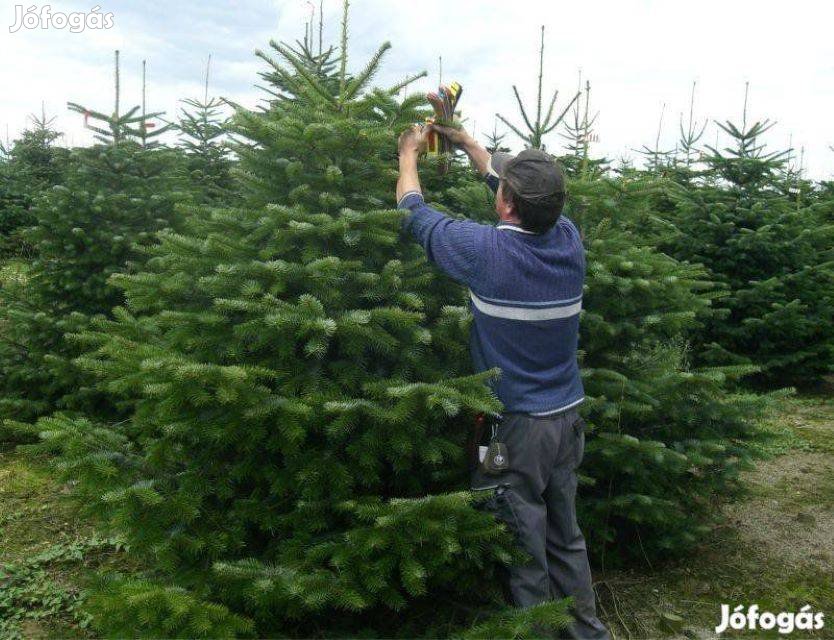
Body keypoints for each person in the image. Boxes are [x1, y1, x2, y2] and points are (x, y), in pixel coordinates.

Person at [395, 122, 610, 640]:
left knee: (523, 543)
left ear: (508, 205)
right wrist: (470, 145)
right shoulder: (568, 238)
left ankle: (536, 632)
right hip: (566, 418)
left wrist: (408, 155)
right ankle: (587, 632)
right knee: (566, 535)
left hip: (517, 428)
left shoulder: (484, 252)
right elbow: (516, 195)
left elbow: (413, 212)